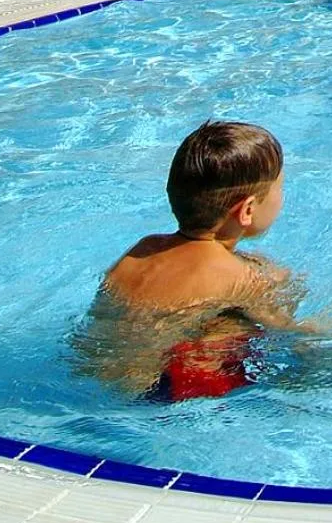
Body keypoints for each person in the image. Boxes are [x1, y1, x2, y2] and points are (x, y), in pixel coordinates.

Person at [80, 121, 299, 401]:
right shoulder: (239, 276)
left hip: (97, 372)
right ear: (247, 210)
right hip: (163, 391)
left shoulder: (145, 247)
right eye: (280, 188)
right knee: (238, 327)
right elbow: (286, 331)